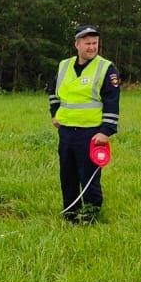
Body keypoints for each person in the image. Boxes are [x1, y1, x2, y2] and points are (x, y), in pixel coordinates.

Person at [48, 24, 120, 222]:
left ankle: (90, 216)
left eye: (95, 43)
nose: (91, 47)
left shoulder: (106, 68)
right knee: (67, 176)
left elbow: (112, 102)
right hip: (66, 132)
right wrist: (54, 113)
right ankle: (70, 214)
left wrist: (106, 131)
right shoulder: (64, 66)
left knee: (89, 178)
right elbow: (54, 92)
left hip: (91, 134)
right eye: (87, 43)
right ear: (77, 45)